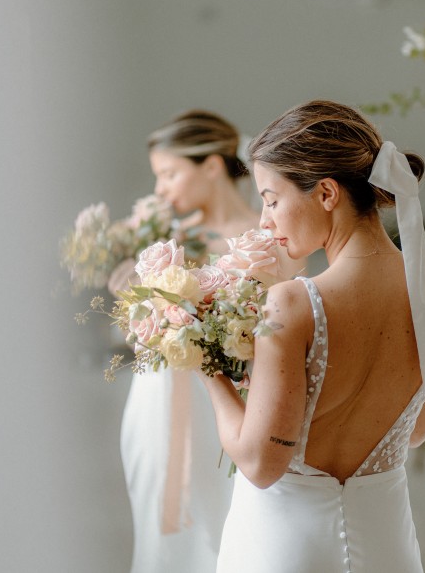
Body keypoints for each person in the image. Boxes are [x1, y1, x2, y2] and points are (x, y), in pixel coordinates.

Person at [199, 100, 425, 572]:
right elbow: (417, 430)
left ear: (326, 193)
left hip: (285, 546)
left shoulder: (294, 304)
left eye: (272, 199)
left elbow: (261, 466)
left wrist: (208, 368)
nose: (265, 220)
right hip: (387, 544)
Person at [120, 110, 302, 573]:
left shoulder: (269, 241)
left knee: (220, 516)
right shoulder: (167, 240)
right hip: (157, 402)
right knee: (156, 507)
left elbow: (283, 330)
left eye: (169, 173)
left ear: (212, 167)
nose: (161, 189)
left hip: (226, 404)